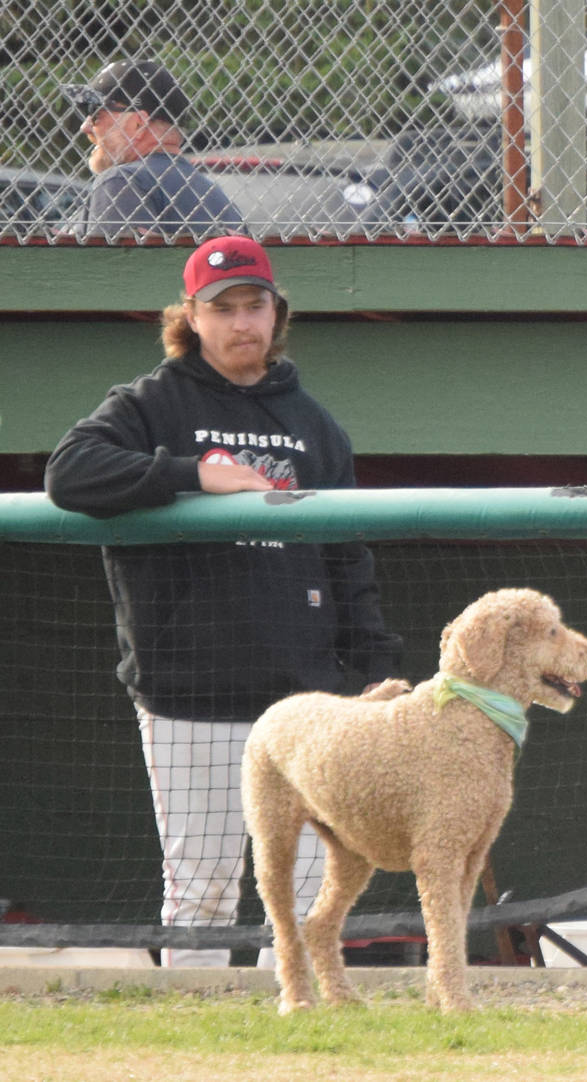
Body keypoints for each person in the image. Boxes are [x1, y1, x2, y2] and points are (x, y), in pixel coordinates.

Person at [46, 235, 403, 966]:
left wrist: (372, 668)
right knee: (203, 891)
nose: (242, 322)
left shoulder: (314, 423)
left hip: (306, 703)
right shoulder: (148, 403)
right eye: (223, 308)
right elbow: (70, 474)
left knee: (308, 895)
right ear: (192, 317)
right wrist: (192, 474)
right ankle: (193, 1051)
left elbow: (348, 556)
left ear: (277, 314)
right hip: (190, 698)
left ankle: (300, 1042)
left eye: (255, 305)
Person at [58, 58, 244, 239]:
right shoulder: (212, 193)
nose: (85, 127)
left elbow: (109, 268)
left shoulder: (121, 182)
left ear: (138, 123)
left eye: (95, 113)